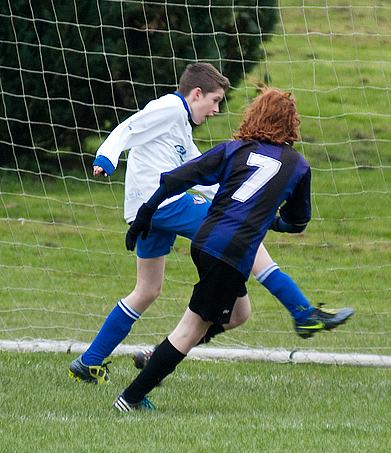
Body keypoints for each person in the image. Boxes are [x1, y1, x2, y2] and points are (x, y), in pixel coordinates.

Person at [69, 65, 353, 385]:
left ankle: (90, 361)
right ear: (197, 94)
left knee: (147, 290)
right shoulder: (169, 107)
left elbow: (198, 173)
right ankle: (302, 312)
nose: (217, 110)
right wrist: (106, 157)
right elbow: (129, 128)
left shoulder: (180, 128)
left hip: (145, 211)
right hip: (163, 205)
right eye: (215, 101)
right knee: (242, 236)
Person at [114, 86, 321, 411]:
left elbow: (175, 178)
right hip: (231, 253)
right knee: (190, 329)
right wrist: (271, 221)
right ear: (292, 123)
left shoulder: (235, 149)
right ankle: (130, 398)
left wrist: (145, 213)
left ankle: (157, 357)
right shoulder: (297, 165)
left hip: (206, 241)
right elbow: (297, 223)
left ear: (254, 115)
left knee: (240, 314)